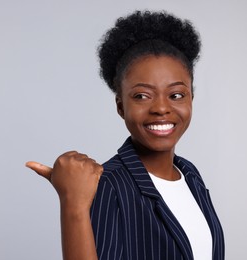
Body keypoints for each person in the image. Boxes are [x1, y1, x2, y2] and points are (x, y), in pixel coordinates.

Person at [26, 10, 225, 260]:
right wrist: (73, 204)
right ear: (121, 106)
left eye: (176, 95)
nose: (161, 108)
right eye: (142, 96)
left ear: (191, 99)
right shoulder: (110, 186)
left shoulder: (191, 175)